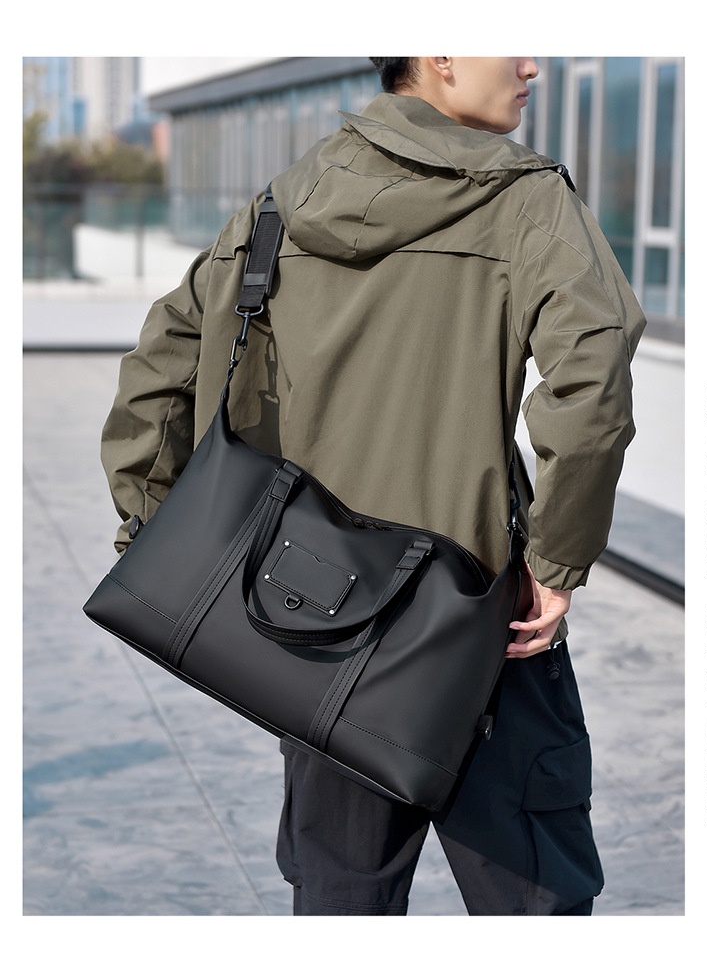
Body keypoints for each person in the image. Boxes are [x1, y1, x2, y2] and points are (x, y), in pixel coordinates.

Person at [101, 57, 646, 915]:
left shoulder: (283, 200)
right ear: (441, 53)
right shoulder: (528, 201)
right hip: (476, 622)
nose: (532, 63)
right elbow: (593, 386)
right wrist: (556, 561)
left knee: (341, 902)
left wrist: (159, 535)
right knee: (536, 904)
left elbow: (158, 370)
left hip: (310, 627)